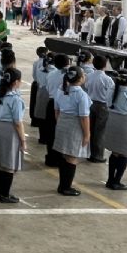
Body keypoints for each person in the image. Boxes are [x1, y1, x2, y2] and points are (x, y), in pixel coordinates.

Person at [52, 66, 90, 196]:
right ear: (80, 79)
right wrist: (87, 134)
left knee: (64, 155)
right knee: (72, 156)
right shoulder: (81, 95)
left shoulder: (61, 90)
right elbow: (84, 117)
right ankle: (66, 187)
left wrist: (60, 122)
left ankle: (62, 184)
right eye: (83, 74)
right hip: (75, 125)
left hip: (62, 121)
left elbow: (56, 110)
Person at [0, 67, 26, 204]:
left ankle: (0, 192)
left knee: (0, 163)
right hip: (10, 131)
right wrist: (23, 140)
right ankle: (5, 194)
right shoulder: (15, 99)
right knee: (10, 164)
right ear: (16, 82)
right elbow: (18, 122)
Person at [103, 70, 127, 190]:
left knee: (115, 152)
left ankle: (110, 180)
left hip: (112, 122)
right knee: (125, 152)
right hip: (126, 125)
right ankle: (117, 181)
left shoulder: (111, 91)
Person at [84, 55, 113, 164]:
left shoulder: (89, 75)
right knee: (100, 131)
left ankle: (89, 152)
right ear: (105, 65)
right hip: (102, 105)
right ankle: (98, 155)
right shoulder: (107, 79)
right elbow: (111, 93)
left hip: (91, 103)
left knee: (90, 128)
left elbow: (86, 86)